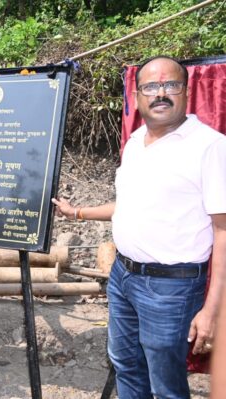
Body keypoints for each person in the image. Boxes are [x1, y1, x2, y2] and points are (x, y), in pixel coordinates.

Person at [52, 55, 226, 398]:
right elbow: (129, 206)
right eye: (150, 86)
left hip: (170, 289)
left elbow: (223, 230)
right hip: (123, 277)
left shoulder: (210, 147)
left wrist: (211, 310)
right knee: (125, 363)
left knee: (165, 381)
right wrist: (77, 214)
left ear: (186, 92)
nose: (160, 93)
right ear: (136, 96)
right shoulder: (134, 143)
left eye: (170, 85)